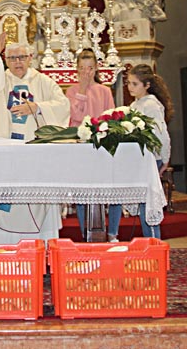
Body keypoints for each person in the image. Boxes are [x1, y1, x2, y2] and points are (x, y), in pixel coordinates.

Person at [0, 32, 70, 243]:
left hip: (35, 153)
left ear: (30, 58)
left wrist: (38, 107)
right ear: (6, 60)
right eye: (12, 58)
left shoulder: (43, 82)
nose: (18, 62)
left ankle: (38, 242)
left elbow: (63, 105)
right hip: (4, 152)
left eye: (22, 57)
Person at [67, 50, 118, 241]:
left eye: (89, 68)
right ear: (77, 69)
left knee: (110, 190)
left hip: (101, 145)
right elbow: (74, 117)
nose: (86, 73)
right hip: (80, 147)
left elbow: (111, 117)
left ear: (95, 68)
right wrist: (81, 90)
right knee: (83, 193)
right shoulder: (71, 91)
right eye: (81, 68)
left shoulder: (104, 91)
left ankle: (112, 232)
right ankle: (84, 232)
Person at [126, 64, 173, 239]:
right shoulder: (135, 104)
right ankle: (149, 240)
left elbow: (161, 133)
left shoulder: (151, 104)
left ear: (147, 85)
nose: (130, 87)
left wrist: (165, 159)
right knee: (143, 203)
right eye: (129, 83)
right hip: (140, 159)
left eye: (135, 84)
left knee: (149, 203)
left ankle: (154, 241)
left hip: (152, 157)